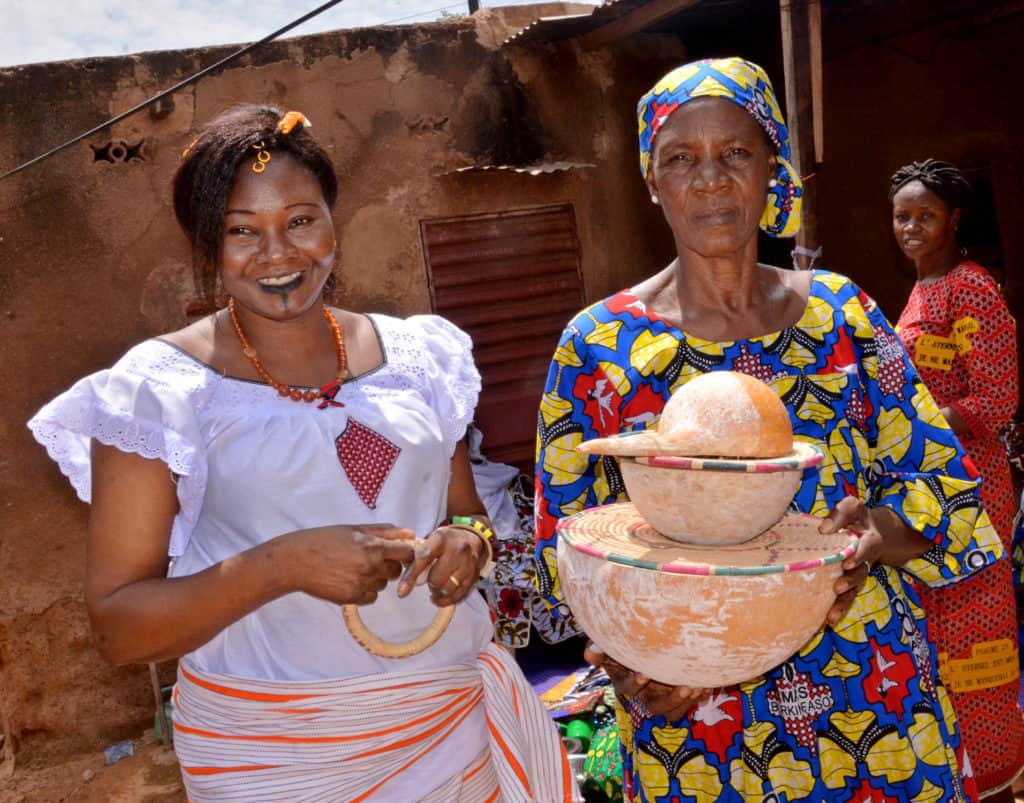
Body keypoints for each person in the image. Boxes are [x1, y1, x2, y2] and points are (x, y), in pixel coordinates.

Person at [28, 105, 577, 802]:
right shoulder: (159, 391)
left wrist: (466, 546)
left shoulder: (417, 357)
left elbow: (468, 515)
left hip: (447, 729)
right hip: (275, 757)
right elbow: (119, 628)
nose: (279, 254)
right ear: (207, 247)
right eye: (241, 231)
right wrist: (282, 565)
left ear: (332, 219)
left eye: (300, 220)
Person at [534, 57, 1006, 802]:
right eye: (680, 158)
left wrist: (868, 536)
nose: (710, 179)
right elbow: (566, 543)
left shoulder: (841, 316)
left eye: (736, 153)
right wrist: (628, 662)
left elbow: (947, 493)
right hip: (697, 717)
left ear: (771, 169)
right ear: (651, 180)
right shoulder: (598, 347)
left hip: (870, 700)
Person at [891, 159, 1024, 800]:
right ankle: (958, 774)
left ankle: (995, 780)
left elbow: (997, 401)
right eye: (902, 215)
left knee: (977, 638)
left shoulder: (970, 288)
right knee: (940, 639)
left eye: (925, 215)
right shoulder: (921, 293)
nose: (911, 226)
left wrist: (914, 419)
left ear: (955, 221)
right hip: (933, 492)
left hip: (973, 490)